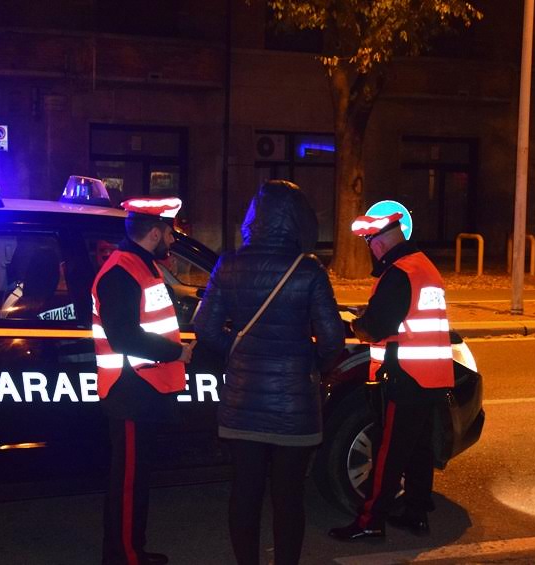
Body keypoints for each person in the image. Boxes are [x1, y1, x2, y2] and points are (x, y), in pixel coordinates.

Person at [194, 180, 345, 565]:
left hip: (242, 402)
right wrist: (306, 361)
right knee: (288, 498)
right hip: (294, 409)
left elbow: (205, 327)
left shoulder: (228, 264)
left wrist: (238, 352)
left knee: (244, 493)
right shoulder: (308, 270)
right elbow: (332, 340)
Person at [328, 211, 454, 541]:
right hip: (433, 374)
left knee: (388, 451)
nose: (372, 252)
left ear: (381, 242)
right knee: (418, 448)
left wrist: (353, 324)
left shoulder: (398, 273)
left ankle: (370, 520)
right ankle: (416, 513)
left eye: (371, 245)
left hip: (406, 376)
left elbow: (375, 327)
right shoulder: (423, 266)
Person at [91, 197, 196, 565]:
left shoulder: (140, 265)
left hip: (143, 389)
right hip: (130, 390)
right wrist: (175, 353)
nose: (172, 239)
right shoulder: (122, 271)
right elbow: (124, 337)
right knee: (128, 483)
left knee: (136, 480)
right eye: (169, 232)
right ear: (154, 233)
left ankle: (133, 549)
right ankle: (123, 557)